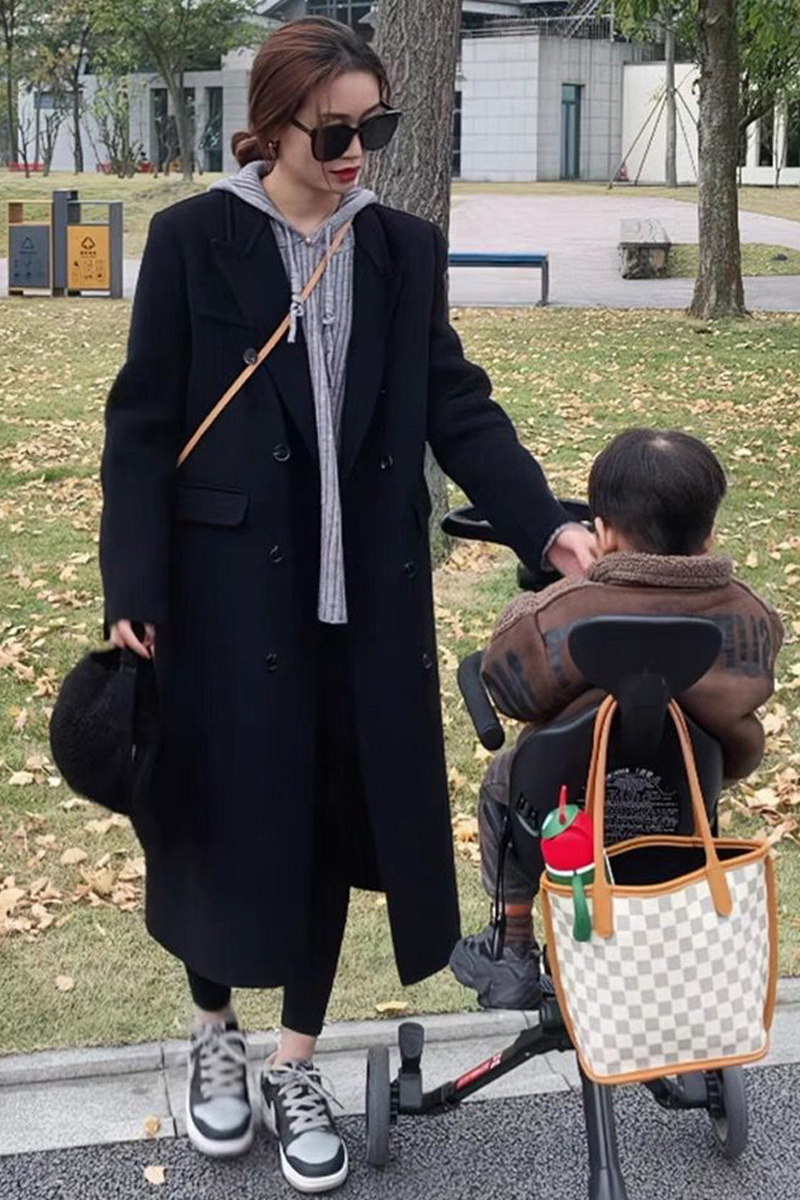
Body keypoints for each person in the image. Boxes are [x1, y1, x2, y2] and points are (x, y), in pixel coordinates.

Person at [99, 16, 595, 1194]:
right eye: (334, 131)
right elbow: (143, 425)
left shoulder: (399, 249)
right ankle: (214, 1035)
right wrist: (133, 582)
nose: (357, 151)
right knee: (214, 814)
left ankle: (294, 1060)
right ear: (273, 125)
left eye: (377, 126)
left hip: (360, 598)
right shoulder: (193, 240)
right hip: (218, 596)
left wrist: (543, 525)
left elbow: (453, 402)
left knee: (327, 819)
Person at [450, 428, 784, 1012]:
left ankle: (512, 943)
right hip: (679, 808)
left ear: (602, 534)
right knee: (696, 775)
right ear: (708, 535)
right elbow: (749, 697)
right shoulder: (751, 619)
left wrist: (534, 603)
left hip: (562, 815)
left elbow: (507, 685)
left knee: (503, 778)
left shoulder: (567, 612)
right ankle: (666, 938)